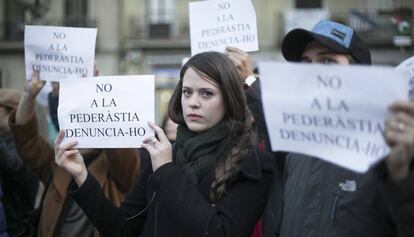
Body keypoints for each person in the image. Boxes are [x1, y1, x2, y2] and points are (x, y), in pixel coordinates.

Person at [55, 52, 275, 236]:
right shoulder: (166, 153)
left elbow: (221, 232)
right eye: (187, 92)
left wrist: (167, 171)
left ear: (229, 99)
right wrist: (82, 176)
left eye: (206, 94)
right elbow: (123, 228)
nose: (193, 103)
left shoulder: (252, 162)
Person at [229, 20, 414, 237]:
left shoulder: (387, 151)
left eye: (327, 61)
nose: (312, 71)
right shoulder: (295, 149)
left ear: (361, 75)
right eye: (305, 62)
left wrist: (406, 175)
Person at [8, 71, 141, 237]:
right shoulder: (58, 162)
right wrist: (28, 96)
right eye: (75, 120)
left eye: (87, 120)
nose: (81, 129)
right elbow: (26, 140)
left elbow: (124, 157)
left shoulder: (115, 166)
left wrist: (96, 91)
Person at [0, 89, 39, 236]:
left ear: (10, 112)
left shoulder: (25, 144)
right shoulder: (4, 138)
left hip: (15, 228)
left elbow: (16, 169)